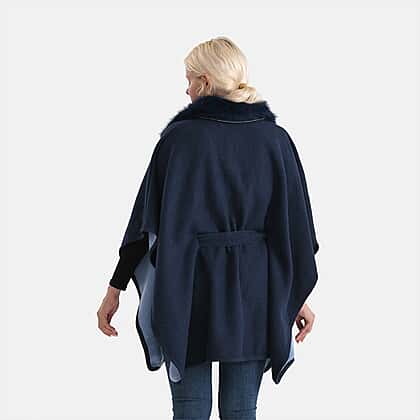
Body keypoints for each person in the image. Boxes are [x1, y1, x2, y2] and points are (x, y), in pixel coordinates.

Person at [97, 36, 319, 420]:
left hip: (188, 286)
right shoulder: (276, 140)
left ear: (204, 82)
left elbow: (144, 225)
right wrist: (293, 295)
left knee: (190, 410)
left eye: (188, 80)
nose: (186, 90)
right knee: (241, 411)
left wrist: (114, 289)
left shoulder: (178, 140)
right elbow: (293, 230)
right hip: (254, 291)